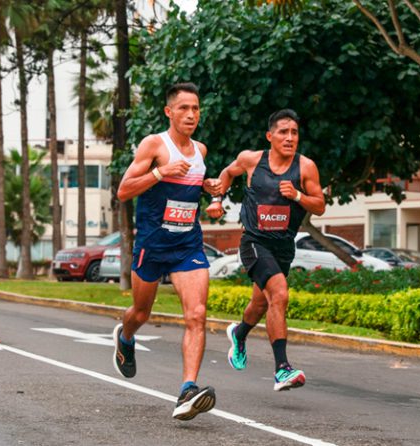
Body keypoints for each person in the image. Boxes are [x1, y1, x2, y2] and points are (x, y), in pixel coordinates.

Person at [113, 82, 217, 421]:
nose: (191, 115)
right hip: (153, 244)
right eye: (184, 108)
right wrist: (160, 172)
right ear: (169, 112)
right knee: (141, 313)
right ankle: (125, 336)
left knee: (197, 314)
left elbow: (192, 190)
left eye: (196, 109)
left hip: (187, 244)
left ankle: (188, 389)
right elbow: (124, 190)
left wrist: (212, 194)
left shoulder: (200, 151)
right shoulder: (155, 145)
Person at [205, 109, 326, 391]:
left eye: (294, 132)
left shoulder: (306, 167)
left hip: (283, 246)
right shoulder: (252, 160)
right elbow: (227, 172)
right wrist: (218, 198)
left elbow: (319, 205)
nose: (290, 138)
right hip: (254, 242)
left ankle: (239, 332)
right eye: (283, 132)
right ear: (270, 136)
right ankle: (282, 369)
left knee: (261, 303)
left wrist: (296, 195)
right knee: (280, 294)